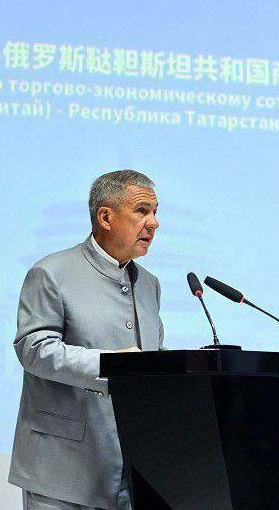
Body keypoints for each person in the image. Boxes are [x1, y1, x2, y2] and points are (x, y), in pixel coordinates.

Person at [8, 170, 163, 510]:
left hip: (133, 474)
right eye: (142, 211)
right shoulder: (51, 272)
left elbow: (150, 358)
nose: (153, 223)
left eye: (155, 212)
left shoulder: (149, 284)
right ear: (106, 217)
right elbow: (33, 348)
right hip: (62, 473)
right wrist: (112, 365)